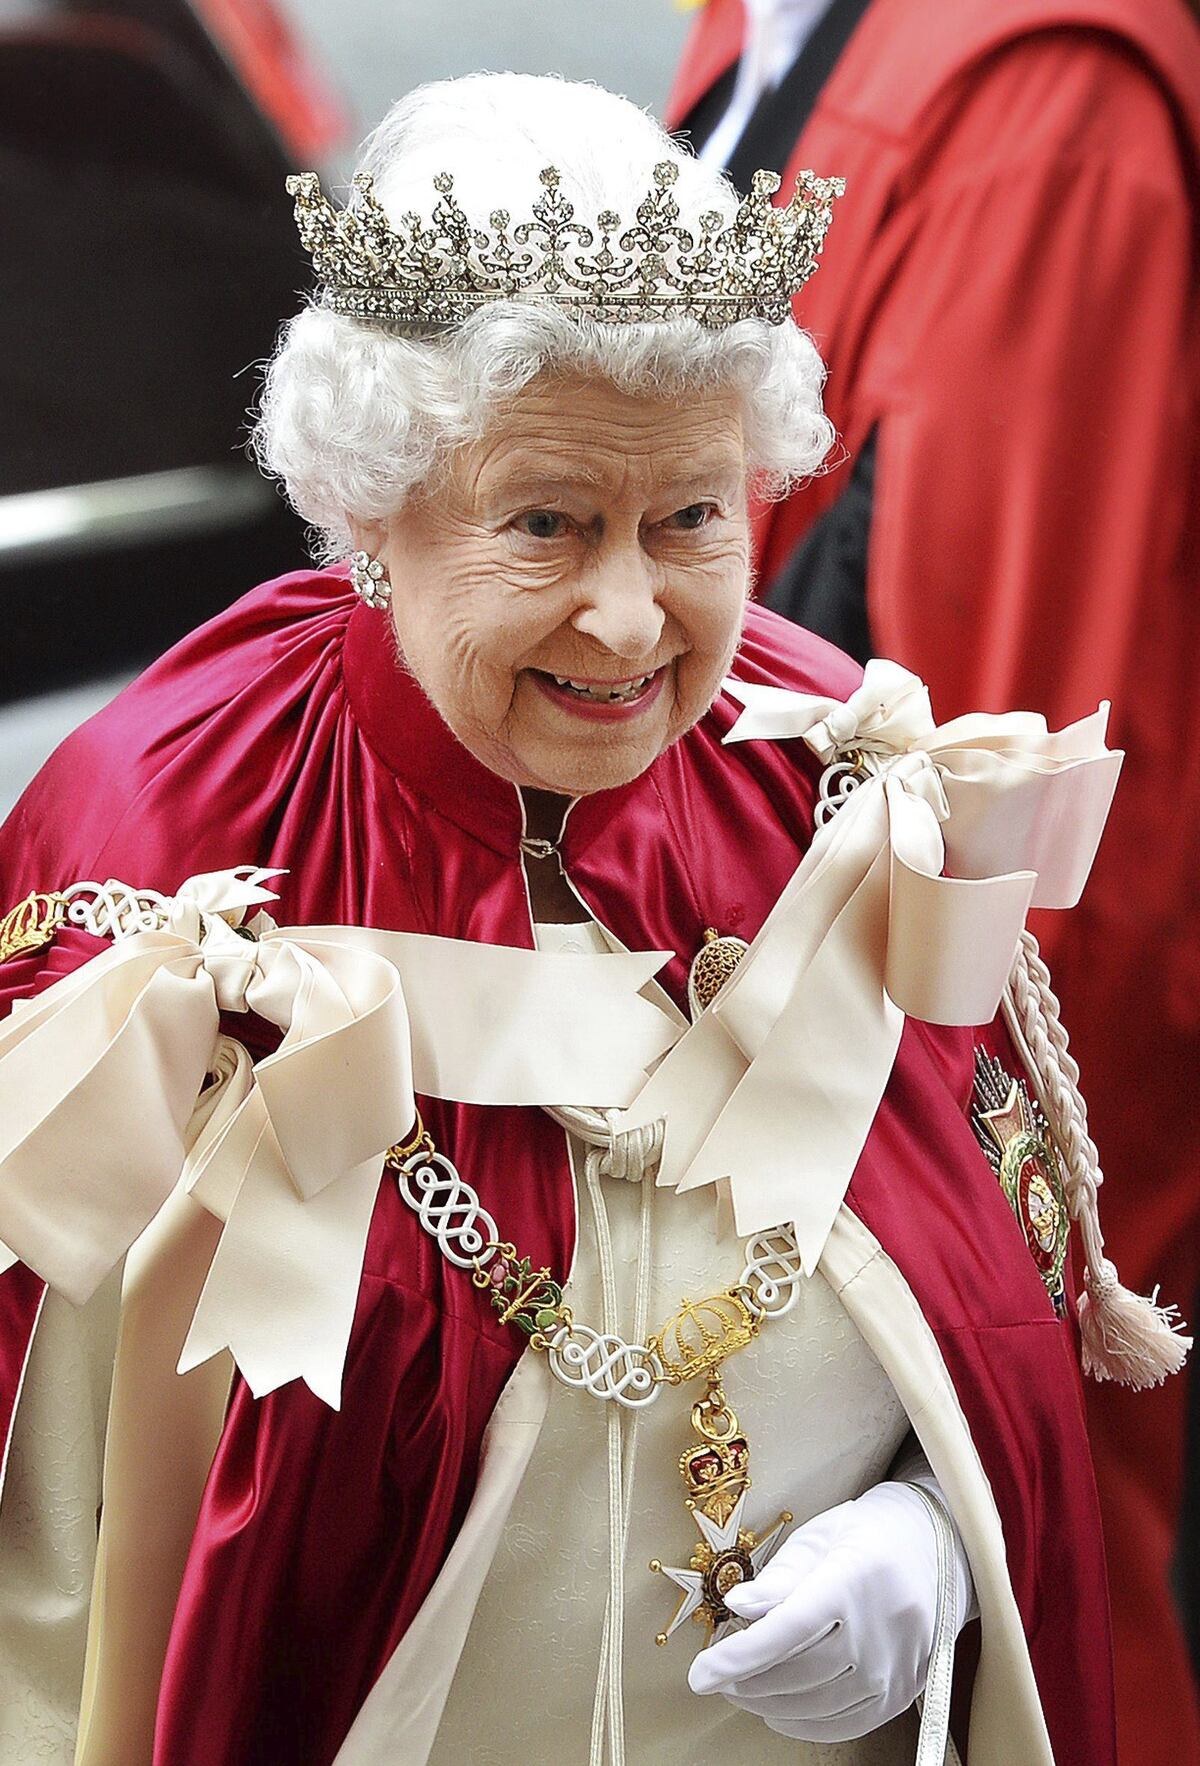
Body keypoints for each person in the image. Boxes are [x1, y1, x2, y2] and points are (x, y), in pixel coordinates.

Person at [0, 72, 1183, 1766]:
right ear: (371, 501)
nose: (632, 621)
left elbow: (993, 1281)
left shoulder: (835, 770)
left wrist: (932, 1529)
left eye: (691, 518)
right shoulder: (169, 829)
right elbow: (45, 1524)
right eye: (546, 521)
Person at [665, 5, 1200, 1757]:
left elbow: (1028, 830)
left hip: (904, 1174)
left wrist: (962, 1414)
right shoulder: (757, 31)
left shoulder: (1047, 98)